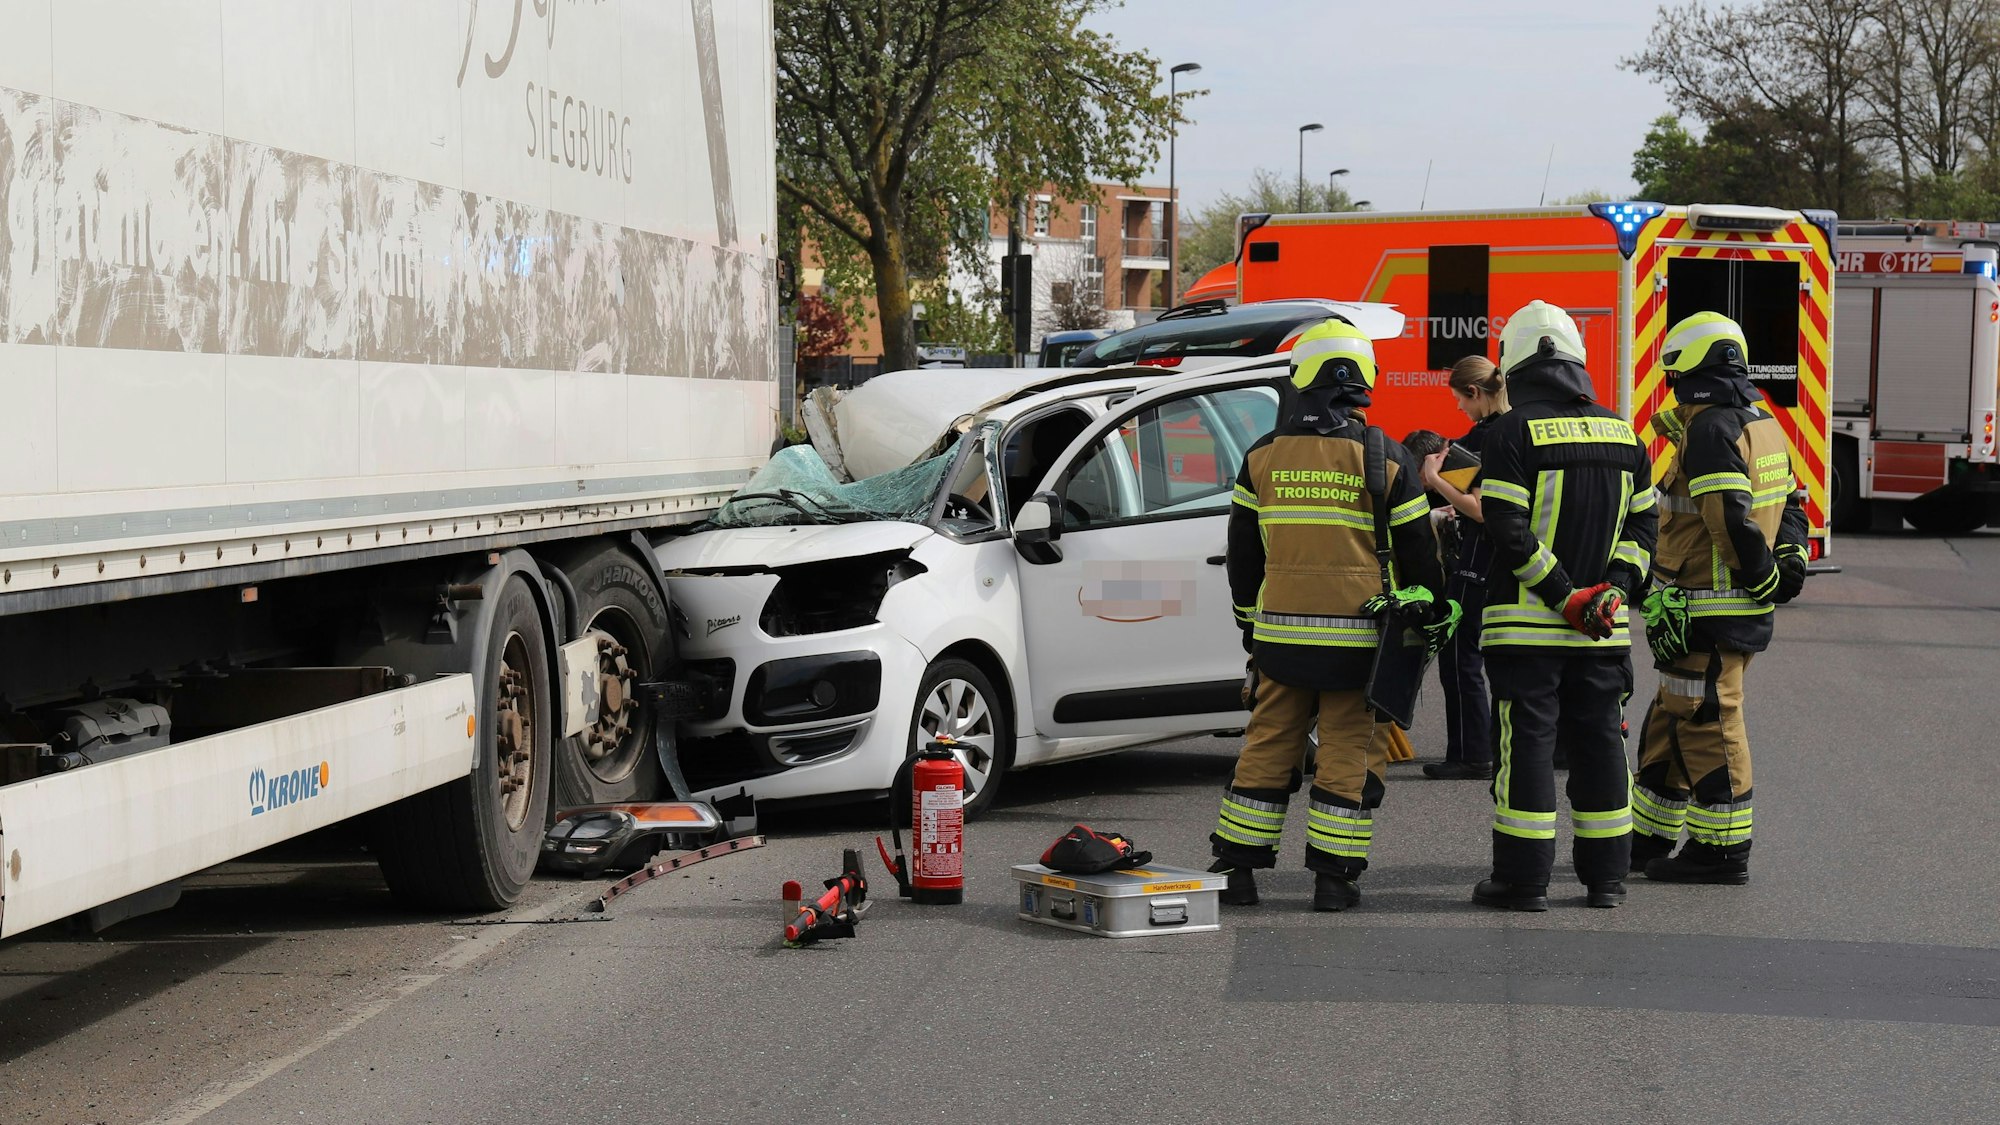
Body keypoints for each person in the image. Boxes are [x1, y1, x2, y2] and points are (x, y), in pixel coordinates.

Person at [1212, 317, 1456, 912]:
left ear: (1303, 378)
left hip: (1279, 642)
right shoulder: (1387, 457)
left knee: (1269, 743)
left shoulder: (1261, 457)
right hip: (1359, 645)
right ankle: (1332, 878)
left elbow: (1244, 556)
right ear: (1361, 384)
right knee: (1347, 751)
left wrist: (1250, 623)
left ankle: (1237, 871)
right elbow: (1420, 555)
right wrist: (1430, 609)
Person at [1471, 301, 1656, 912]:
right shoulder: (1626, 432)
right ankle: (1607, 880)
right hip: (1604, 631)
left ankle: (1524, 881)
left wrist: (1564, 594)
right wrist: (1612, 593)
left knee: (1526, 746)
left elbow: (1505, 525)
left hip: (1526, 629)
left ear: (1515, 367)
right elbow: (1643, 530)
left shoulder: (1511, 432)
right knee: (1603, 742)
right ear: (1577, 361)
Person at [1632, 312, 1809, 885]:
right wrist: (1787, 564)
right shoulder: (1764, 423)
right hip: (1706, 606)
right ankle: (1649, 837)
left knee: (1708, 717)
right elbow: (1794, 505)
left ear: (1688, 366)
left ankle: (1723, 851)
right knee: (1672, 716)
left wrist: (1759, 575)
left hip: (1710, 605)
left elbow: (1727, 517)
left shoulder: (1711, 428)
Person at [1419, 355, 1508, 781]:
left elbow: (1480, 509)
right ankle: (1495, 746)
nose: (1459, 408)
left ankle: (1469, 754)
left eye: (1459, 399)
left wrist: (1435, 479)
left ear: (1475, 393)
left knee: (1459, 655)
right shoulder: (1519, 429)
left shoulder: (1476, 440)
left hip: (1477, 559)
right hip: (1513, 559)